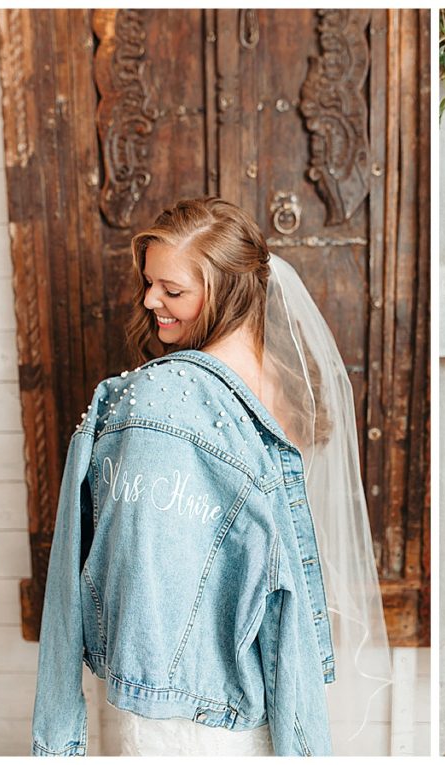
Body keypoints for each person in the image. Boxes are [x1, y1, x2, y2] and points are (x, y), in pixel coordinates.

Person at [31, 198, 391, 756]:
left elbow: (137, 580)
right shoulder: (293, 385)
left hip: (178, 707)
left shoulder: (154, 402)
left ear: (225, 291)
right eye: (149, 284)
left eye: (172, 291)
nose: (151, 300)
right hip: (274, 684)